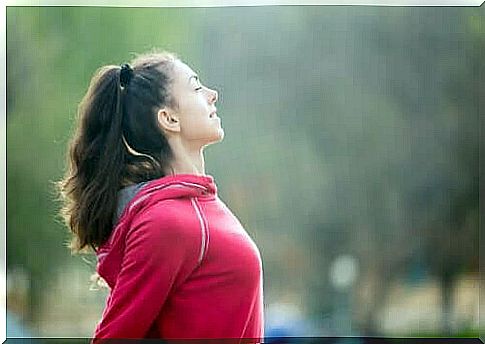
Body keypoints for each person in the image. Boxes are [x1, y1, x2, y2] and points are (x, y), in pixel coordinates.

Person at [56, 50, 264, 342]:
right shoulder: (167, 222)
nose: (212, 94)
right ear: (169, 119)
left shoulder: (198, 205)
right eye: (195, 87)